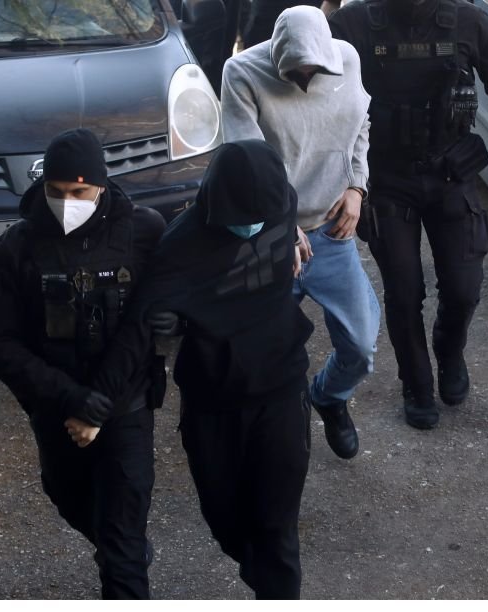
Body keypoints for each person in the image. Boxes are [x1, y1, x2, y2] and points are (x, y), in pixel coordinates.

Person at [91, 140, 314, 599]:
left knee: (277, 530)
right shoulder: (181, 247)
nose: (254, 224)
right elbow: (135, 330)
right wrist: (94, 404)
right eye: (245, 215)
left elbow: (285, 221)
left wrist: (293, 236)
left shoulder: (280, 203)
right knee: (226, 522)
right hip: (214, 403)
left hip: (281, 391)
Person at [325, 0, 488, 429]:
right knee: (404, 292)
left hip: (450, 171)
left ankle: (449, 351)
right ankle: (416, 383)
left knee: (464, 288)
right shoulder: (354, 23)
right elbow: (310, 85)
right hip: (387, 177)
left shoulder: (467, 21)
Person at [0, 128, 166, 599]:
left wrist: (287, 231)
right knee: (69, 498)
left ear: (101, 185)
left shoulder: (143, 232)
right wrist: (74, 401)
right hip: (57, 410)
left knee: (123, 545)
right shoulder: (16, 246)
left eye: (79, 193)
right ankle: (117, 545)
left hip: (124, 407)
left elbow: (148, 320)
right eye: (56, 191)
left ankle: (123, 554)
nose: (67, 203)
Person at [220, 5, 379, 460]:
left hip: (331, 231)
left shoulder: (348, 59)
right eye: (295, 72)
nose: (306, 79)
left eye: (314, 70)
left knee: (361, 345)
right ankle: (270, 433)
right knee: (258, 351)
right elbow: (245, 161)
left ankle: (328, 397)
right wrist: (279, 225)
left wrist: (356, 186)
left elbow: (361, 125)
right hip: (270, 235)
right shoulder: (241, 72)